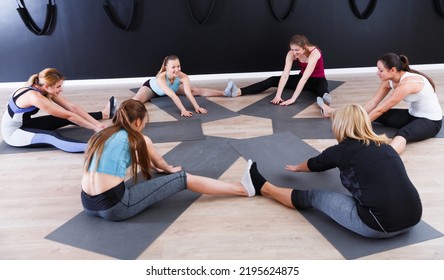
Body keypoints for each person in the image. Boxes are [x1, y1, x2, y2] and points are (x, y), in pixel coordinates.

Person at [243, 104, 422, 238]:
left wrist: (297, 167)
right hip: (414, 217)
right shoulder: (386, 146)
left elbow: (314, 164)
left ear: (340, 126)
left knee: (314, 196)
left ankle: (262, 187)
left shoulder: (341, 151)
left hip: (378, 226)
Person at [80, 99, 255, 221]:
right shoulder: (138, 139)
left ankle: (242, 189)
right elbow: (159, 163)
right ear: (138, 121)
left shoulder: (100, 135)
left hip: (87, 204)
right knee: (182, 178)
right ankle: (243, 189)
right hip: (114, 208)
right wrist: (169, 169)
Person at [317, 53, 442, 154]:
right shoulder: (390, 80)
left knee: (403, 134)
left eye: (380, 70)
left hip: (431, 121)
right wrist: (358, 116)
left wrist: (357, 126)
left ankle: (388, 156)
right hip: (412, 116)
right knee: (369, 113)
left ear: (392, 70)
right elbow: (374, 102)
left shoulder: (408, 84)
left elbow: (381, 109)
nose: (378, 73)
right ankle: (332, 111)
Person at [1, 68, 116, 153]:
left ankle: (104, 114)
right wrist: (95, 128)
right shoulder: (35, 97)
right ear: (47, 86)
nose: (61, 89)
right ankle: (97, 148)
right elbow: (69, 116)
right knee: (52, 136)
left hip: (26, 124)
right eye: (58, 86)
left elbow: (72, 108)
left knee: (63, 116)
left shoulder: (41, 87)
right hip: (14, 134)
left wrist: (97, 125)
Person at [226, 34, 330, 106]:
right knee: (272, 80)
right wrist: (278, 96)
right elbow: (285, 75)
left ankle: (325, 108)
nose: (294, 53)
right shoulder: (291, 54)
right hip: (301, 78)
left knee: (323, 94)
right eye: (292, 49)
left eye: (297, 50)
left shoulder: (315, 53)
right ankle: (238, 91)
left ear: (305, 47)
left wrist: (293, 99)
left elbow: (305, 78)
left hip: (317, 80)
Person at [133, 55, 235, 117]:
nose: (177, 69)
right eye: (173, 67)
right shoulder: (161, 78)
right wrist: (183, 110)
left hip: (170, 89)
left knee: (194, 90)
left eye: (178, 66)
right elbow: (173, 96)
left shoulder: (183, 76)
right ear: (166, 68)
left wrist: (197, 107)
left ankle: (225, 93)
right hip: (153, 90)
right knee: (137, 100)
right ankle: (118, 109)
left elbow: (188, 93)